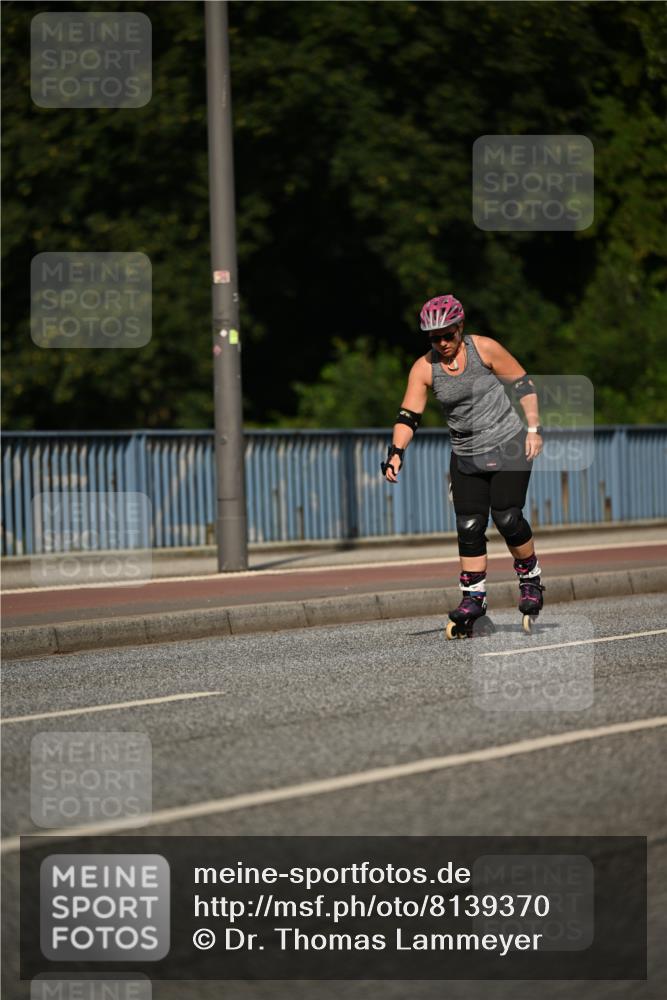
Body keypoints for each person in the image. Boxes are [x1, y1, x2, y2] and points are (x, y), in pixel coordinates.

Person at [381, 294, 545, 635]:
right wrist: (396, 452)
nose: (442, 343)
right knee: (469, 525)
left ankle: (530, 579)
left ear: (460, 327)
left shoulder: (485, 349)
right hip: (466, 452)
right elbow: (408, 415)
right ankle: (473, 598)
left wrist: (533, 427)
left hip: (509, 443)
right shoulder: (424, 368)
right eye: (434, 337)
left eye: (447, 335)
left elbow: (523, 384)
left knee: (507, 516)